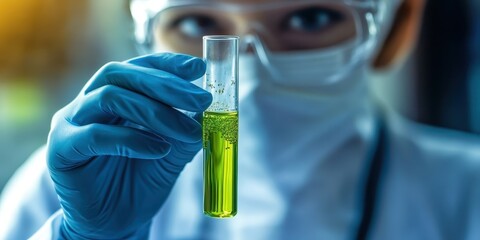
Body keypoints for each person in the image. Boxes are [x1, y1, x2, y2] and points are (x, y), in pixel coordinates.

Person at [1, 0, 480, 239]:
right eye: (196, 23)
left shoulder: (467, 195)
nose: (246, 76)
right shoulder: (73, 187)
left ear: (395, 28)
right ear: (144, 35)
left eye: (310, 18)